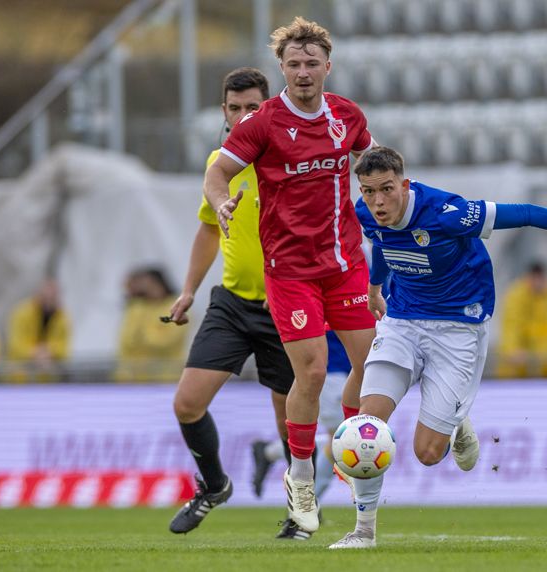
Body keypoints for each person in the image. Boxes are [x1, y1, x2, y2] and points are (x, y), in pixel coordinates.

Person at [328, 146, 547, 549]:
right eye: (368, 191)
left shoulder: (447, 212)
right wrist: (376, 287)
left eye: (386, 189)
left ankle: (456, 420)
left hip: (459, 327)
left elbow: (528, 213)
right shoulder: (364, 214)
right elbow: (383, 243)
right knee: (368, 424)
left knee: (429, 453)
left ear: (405, 184)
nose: (378, 201)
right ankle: (363, 532)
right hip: (403, 321)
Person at [205, 17, 378, 533]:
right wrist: (220, 204)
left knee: (373, 366)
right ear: (281, 69)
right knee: (314, 372)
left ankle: (348, 446)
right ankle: (301, 477)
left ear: (328, 65)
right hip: (291, 271)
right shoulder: (262, 123)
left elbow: (370, 161)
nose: (303, 72)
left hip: (344, 263)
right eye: (293, 65)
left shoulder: (347, 115)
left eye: (311, 63)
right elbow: (218, 171)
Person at [166, 68, 308, 540]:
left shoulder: (290, 160)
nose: (244, 115)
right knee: (187, 404)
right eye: (235, 107)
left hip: (286, 305)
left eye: (253, 106)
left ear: (269, 108)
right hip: (231, 304)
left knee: (291, 423)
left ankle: (300, 511)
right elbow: (209, 228)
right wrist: (188, 290)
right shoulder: (220, 164)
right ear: (224, 113)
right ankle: (213, 485)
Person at [250, 328, 351, 506]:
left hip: (353, 372)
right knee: (342, 442)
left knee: (342, 441)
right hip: (331, 371)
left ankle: (269, 452)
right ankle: (305, 505)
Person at [114, 267, 188, 382]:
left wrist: (143, 336)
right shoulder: (136, 307)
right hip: (132, 378)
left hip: (165, 377)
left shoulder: (175, 307)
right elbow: (127, 340)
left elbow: (165, 341)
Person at [5, 279, 71, 383]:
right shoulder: (22, 313)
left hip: (48, 382)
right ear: (38, 294)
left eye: (53, 297)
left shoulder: (62, 318)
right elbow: (15, 344)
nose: (49, 300)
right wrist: (35, 353)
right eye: (45, 296)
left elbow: (64, 348)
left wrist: (49, 351)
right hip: (19, 381)